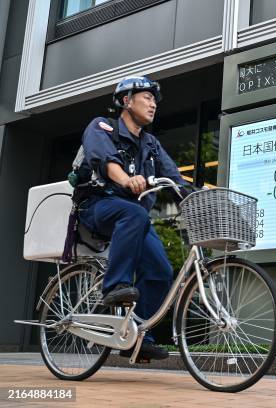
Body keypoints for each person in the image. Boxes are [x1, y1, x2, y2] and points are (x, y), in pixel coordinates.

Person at [77, 76, 190, 361]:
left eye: (154, 99)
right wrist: (127, 180)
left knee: (161, 272)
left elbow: (175, 180)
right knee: (135, 212)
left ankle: (138, 337)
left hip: (134, 216)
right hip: (98, 206)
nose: (153, 104)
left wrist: (198, 200)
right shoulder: (102, 126)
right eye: (146, 97)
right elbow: (105, 161)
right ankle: (115, 285)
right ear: (126, 101)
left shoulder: (150, 144)